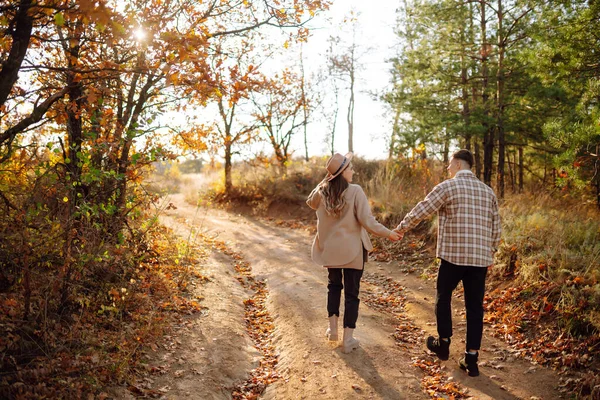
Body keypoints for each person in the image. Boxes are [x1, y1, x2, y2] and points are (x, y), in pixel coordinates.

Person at [394, 149, 501, 376]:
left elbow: (422, 210)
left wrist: (401, 228)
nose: (447, 167)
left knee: (443, 297)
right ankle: (471, 360)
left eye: (449, 163)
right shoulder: (488, 192)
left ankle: (443, 344)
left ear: (459, 163)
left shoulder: (448, 187)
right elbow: (496, 228)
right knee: (474, 308)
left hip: (453, 257)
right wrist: (491, 252)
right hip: (479, 260)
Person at [307, 152, 401, 354]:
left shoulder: (322, 194)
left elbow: (310, 201)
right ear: (342, 173)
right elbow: (368, 221)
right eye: (349, 168)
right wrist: (389, 234)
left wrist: (327, 178)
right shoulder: (355, 191)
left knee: (333, 286)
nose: (353, 171)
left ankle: (333, 331)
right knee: (352, 294)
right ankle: (347, 340)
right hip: (352, 252)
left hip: (330, 250)